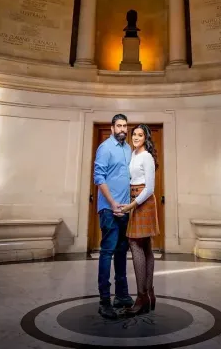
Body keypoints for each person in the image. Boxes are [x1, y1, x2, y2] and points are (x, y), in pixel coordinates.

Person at [93, 114, 134, 319]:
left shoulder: (128, 149)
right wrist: (112, 203)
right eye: (119, 126)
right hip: (109, 210)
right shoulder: (105, 148)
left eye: (125, 126)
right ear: (112, 128)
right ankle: (104, 300)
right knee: (107, 252)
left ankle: (122, 295)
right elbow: (98, 177)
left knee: (121, 252)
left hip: (125, 210)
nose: (122, 130)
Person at [118, 124, 159, 316]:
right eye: (134, 134)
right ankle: (149, 293)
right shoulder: (133, 154)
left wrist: (132, 205)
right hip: (134, 200)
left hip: (143, 202)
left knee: (135, 244)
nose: (135, 137)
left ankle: (142, 296)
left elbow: (149, 188)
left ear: (146, 138)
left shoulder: (147, 156)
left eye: (140, 135)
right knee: (146, 247)